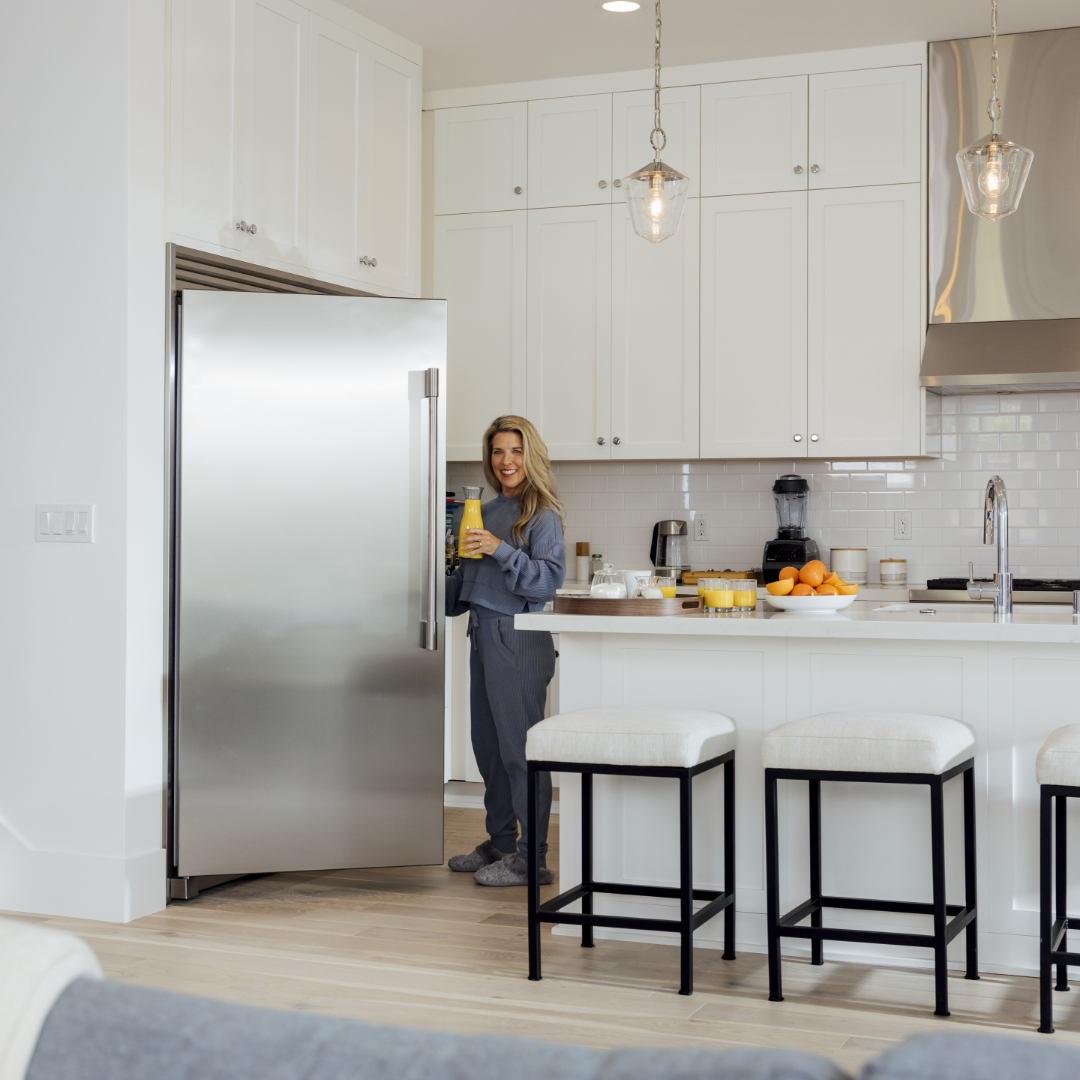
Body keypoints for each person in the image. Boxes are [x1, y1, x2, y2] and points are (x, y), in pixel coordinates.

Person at [445, 416, 566, 887]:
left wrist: (498, 549)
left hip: (517, 635)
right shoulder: (487, 510)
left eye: (515, 451)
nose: (506, 461)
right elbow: (467, 585)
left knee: (520, 752)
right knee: (489, 748)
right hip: (482, 630)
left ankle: (531, 858)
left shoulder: (542, 514)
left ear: (529, 455)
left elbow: (547, 580)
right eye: (498, 452)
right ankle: (500, 841)